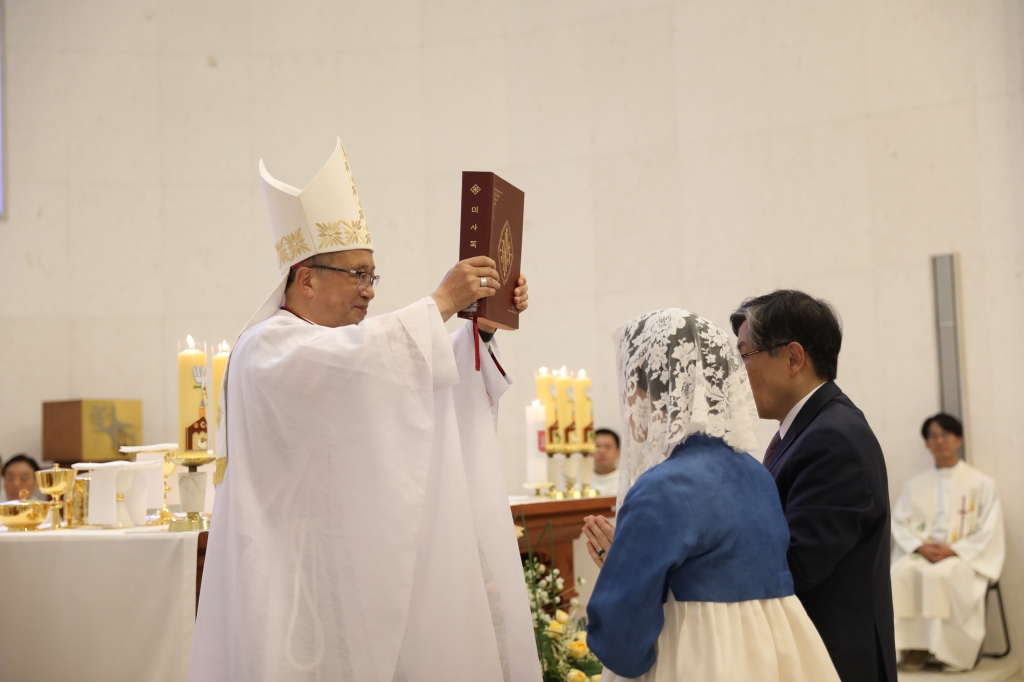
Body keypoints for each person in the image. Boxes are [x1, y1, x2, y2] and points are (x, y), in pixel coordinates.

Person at [189, 139, 541, 682]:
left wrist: (481, 326)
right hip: (291, 578)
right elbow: (355, 362)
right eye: (358, 275)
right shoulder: (268, 347)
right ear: (305, 278)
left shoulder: (338, 351)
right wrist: (441, 303)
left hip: (352, 569)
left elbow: (405, 385)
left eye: (373, 275)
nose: (371, 292)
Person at [582, 309, 839, 682]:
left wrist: (620, 568)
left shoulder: (662, 487)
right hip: (769, 658)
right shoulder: (755, 474)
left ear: (650, 391)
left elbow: (622, 641)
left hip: (693, 658)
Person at [730, 290, 897, 682]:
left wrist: (677, 560)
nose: (736, 372)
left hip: (834, 661)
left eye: (744, 356)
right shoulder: (810, 430)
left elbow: (794, 565)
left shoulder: (831, 438)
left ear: (793, 358)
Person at [891, 413, 1004, 672]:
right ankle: (914, 648)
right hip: (923, 553)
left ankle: (949, 652)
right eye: (933, 436)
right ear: (926, 444)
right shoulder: (915, 485)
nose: (939, 441)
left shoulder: (982, 484)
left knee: (942, 577)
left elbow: (989, 528)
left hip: (962, 555)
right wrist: (920, 547)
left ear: (958, 440)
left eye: (945, 435)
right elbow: (899, 523)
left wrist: (953, 549)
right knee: (901, 573)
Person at [591, 428, 620, 495]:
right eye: (597, 447)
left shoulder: (628, 483)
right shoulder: (581, 484)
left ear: (618, 452)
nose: (602, 451)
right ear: (590, 452)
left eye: (608, 447)